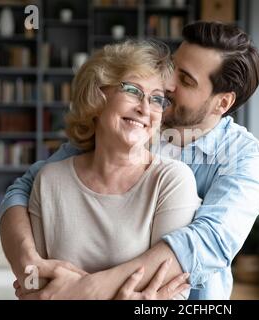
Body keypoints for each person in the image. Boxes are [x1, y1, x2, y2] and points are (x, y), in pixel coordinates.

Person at [0, 21, 259, 300]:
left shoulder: (244, 156)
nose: (169, 84)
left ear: (222, 103)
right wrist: (30, 265)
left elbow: (206, 244)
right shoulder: (133, 123)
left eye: (186, 80)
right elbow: (26, 189)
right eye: (174, 67)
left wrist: (83, 291)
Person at [21, 39, 201, 300]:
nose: (144, 108)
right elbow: (38, 290)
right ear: (98, 94)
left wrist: (78, 293)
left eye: (157, 99)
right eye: (132, 90)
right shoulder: (50, 180)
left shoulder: (171, 180)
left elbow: (172, 296)